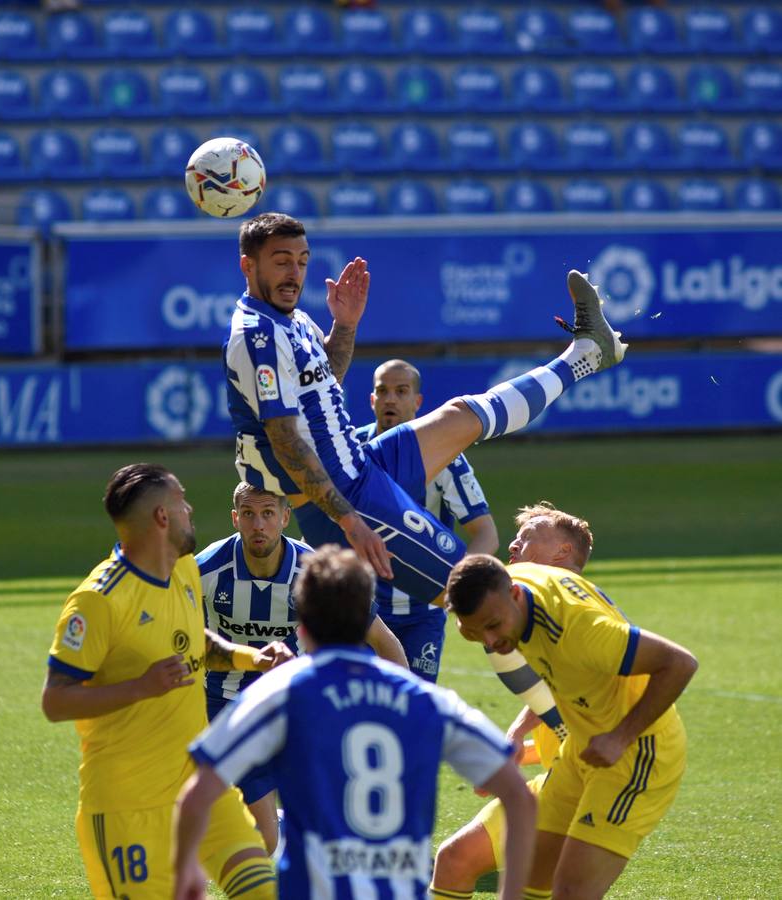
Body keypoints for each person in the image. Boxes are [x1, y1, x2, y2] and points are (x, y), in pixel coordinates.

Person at [224, 212, 627, 605]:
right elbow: (285, 442)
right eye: (281, 262)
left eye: (301, 262)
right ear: (248, 266)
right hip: (343, 498)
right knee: (474, 594)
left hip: (361, 463)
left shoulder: (292, 321)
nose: (294, 273)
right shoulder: (258, 337)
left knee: (461, 414)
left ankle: (587, 353)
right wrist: (349, 520)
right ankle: (567, 614)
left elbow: (324, 386)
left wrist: (345, 325)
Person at [173, 545, 538, 900]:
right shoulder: (425, 700)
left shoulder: (279, 694)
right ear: (366, 619)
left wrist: (187, 871)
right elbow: (519, 797)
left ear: (302, 626)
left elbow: (195, 797)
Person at [41, 463, 286, 899]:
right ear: (161, 517)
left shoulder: (183, 568)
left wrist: (252, 657)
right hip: (127, 810)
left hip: (201, 790)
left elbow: (195, 640)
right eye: (181, 501)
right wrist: (140, 687)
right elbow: (55, 701)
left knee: (261, 891)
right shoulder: (97, 601)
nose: (189, 510)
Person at [444, 539, 698, 900]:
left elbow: (679, 663)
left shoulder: (579, 630)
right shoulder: (508, 583)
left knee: (570, 891)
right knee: (529, 879)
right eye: (472, 631)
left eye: (494, 625)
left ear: (515, 594)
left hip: (635, 754)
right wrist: (519, 732)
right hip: (579, 750)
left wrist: (620, 737)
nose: (490, 640)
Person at [197, 480, 408, 853]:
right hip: (228, 707)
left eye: (267, 513)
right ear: (235, 518)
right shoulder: (206, 570)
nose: (258, 525)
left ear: (285, 517)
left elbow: (383, 641)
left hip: (297, 706)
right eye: (248, 514)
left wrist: (402, 709)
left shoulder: (314, 574)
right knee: (265, 840)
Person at [431, 502, 596, 898]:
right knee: (454, 860)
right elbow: (554, 694)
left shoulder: (582, 615)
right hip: (556, 779)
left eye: (527, 538)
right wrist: (517, 740)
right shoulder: (531, 612)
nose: (513, 545)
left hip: (585, 788)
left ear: (563, 551)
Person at [353, 357, 499, 682]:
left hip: (424, 612)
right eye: (383, 391)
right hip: (362, 606)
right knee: (362, 698)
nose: (391, 399)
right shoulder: (352, 452)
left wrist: (458, 587)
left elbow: (486, 533)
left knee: (414, 701)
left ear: (417, 402)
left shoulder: (447, 456)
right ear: (372, 399)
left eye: (401, 391)